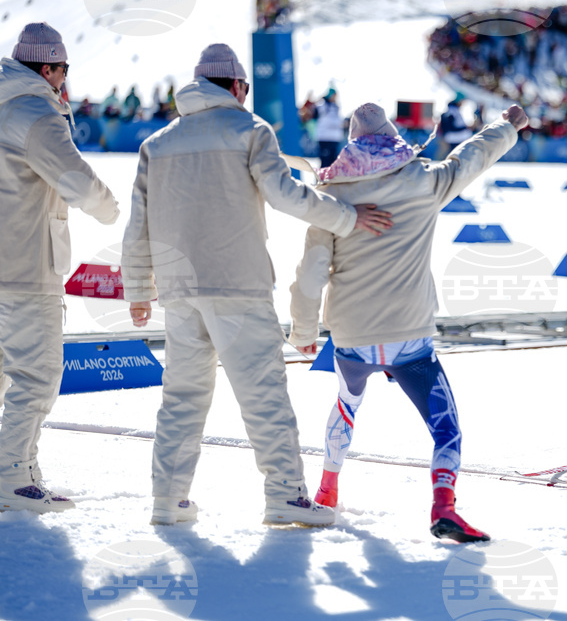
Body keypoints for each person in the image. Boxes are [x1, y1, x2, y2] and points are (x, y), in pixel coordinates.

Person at [121, 44, 392, 528]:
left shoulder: (157, 143)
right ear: (236, 86)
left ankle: (168, 499)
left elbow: (137, 223)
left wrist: (138, 289)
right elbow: (287, 195)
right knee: (263, 395)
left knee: (181, 398)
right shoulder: (250, 130)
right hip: (237, 285)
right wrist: (347, 217)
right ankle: (285, 495)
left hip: (179, 288)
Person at [288, 101, 528, 542]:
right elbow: (470, 158)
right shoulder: (424, 181)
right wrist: (507, 126)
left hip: (353, 337)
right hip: (410, 337)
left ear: (351, 144)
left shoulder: (332, 197)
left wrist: (303, 331)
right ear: (394, 139)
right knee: (446, 428)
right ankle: (444, 507)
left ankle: (327, 493)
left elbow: (310, 273)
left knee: (345, 405)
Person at [0, 22, 120, 513]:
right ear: (47, 67)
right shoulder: (35, 113)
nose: (64, 80)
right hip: (26, 265)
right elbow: (78, 180)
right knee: (37, 375)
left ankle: (16, 469)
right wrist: (112, 209)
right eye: (63, 69)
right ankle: (14, 474)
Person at [314, 87, 344, 168]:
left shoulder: (336, 107)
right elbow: (313, 115)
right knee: (325, 162)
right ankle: (321, 180)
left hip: (335, 139)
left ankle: (331, 180)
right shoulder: (322, 105)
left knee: (333, 163)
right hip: (325, 139)